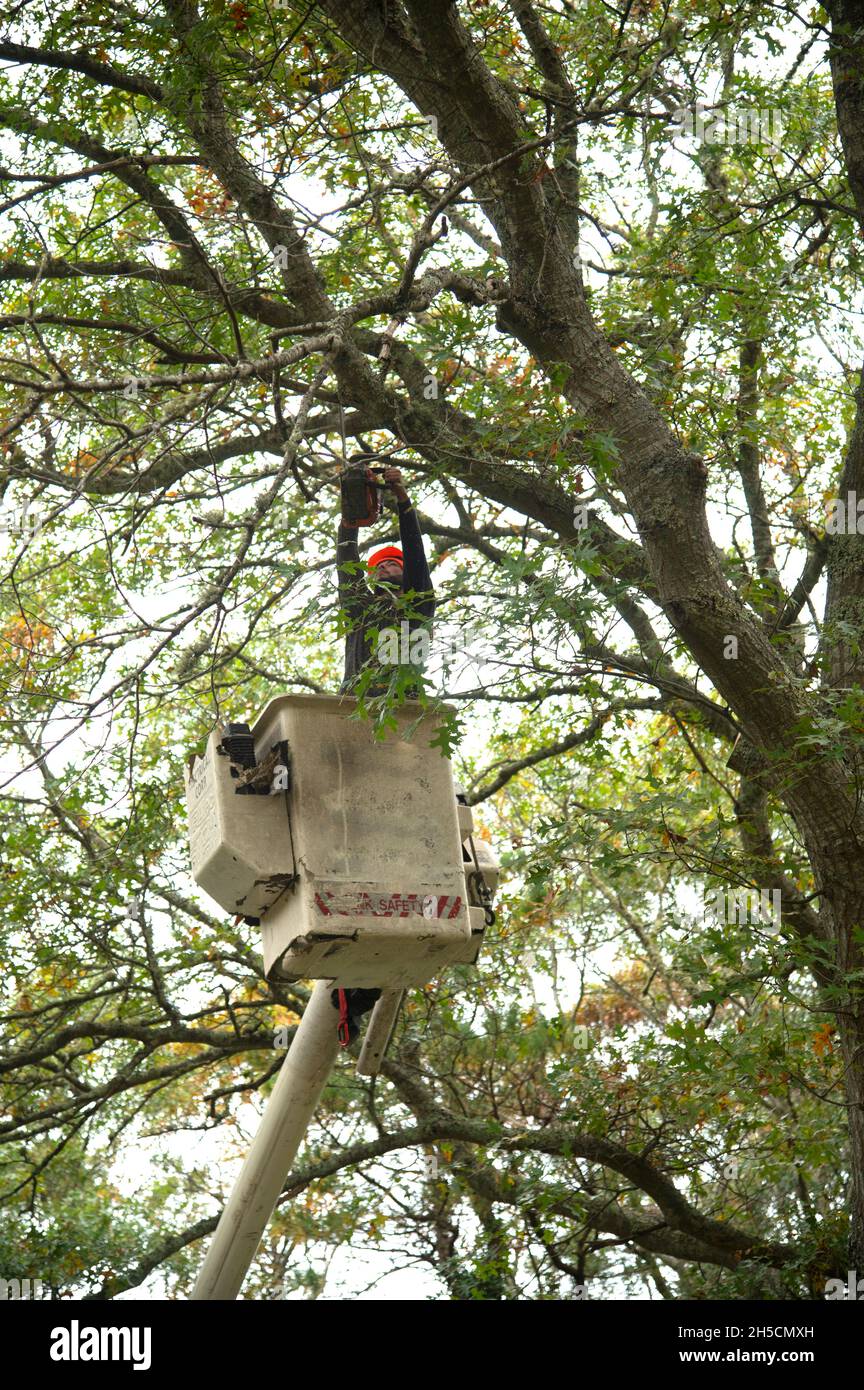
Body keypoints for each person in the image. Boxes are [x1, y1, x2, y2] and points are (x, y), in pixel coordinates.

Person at [336, 464, 436, 695]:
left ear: (405, 571)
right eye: (378, 566)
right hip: (355, 702)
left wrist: (403, 500)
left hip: (405, 703)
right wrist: (348, 527)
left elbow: (415, 553)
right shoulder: (360, 608)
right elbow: (346, 569)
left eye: (391, 563)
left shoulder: (418, 603)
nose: (383, 566)